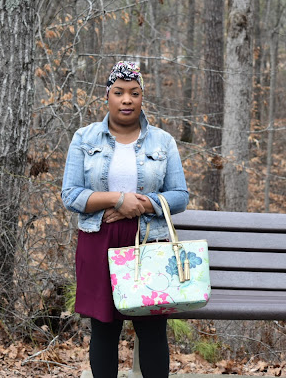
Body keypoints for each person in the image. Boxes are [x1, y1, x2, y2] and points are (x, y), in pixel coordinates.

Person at [62, 61, 189, 377]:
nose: (126, 99)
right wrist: (118, 199)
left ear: (142, 97)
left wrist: (143, 204)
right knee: (104, 327)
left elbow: (180, 196)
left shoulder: (162, 141)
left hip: (148, 241)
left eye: (134, 93)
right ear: (107, 96)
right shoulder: (85, 138)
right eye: (118, 92)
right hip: (99, 239)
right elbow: (71, 195)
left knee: (151, 328)